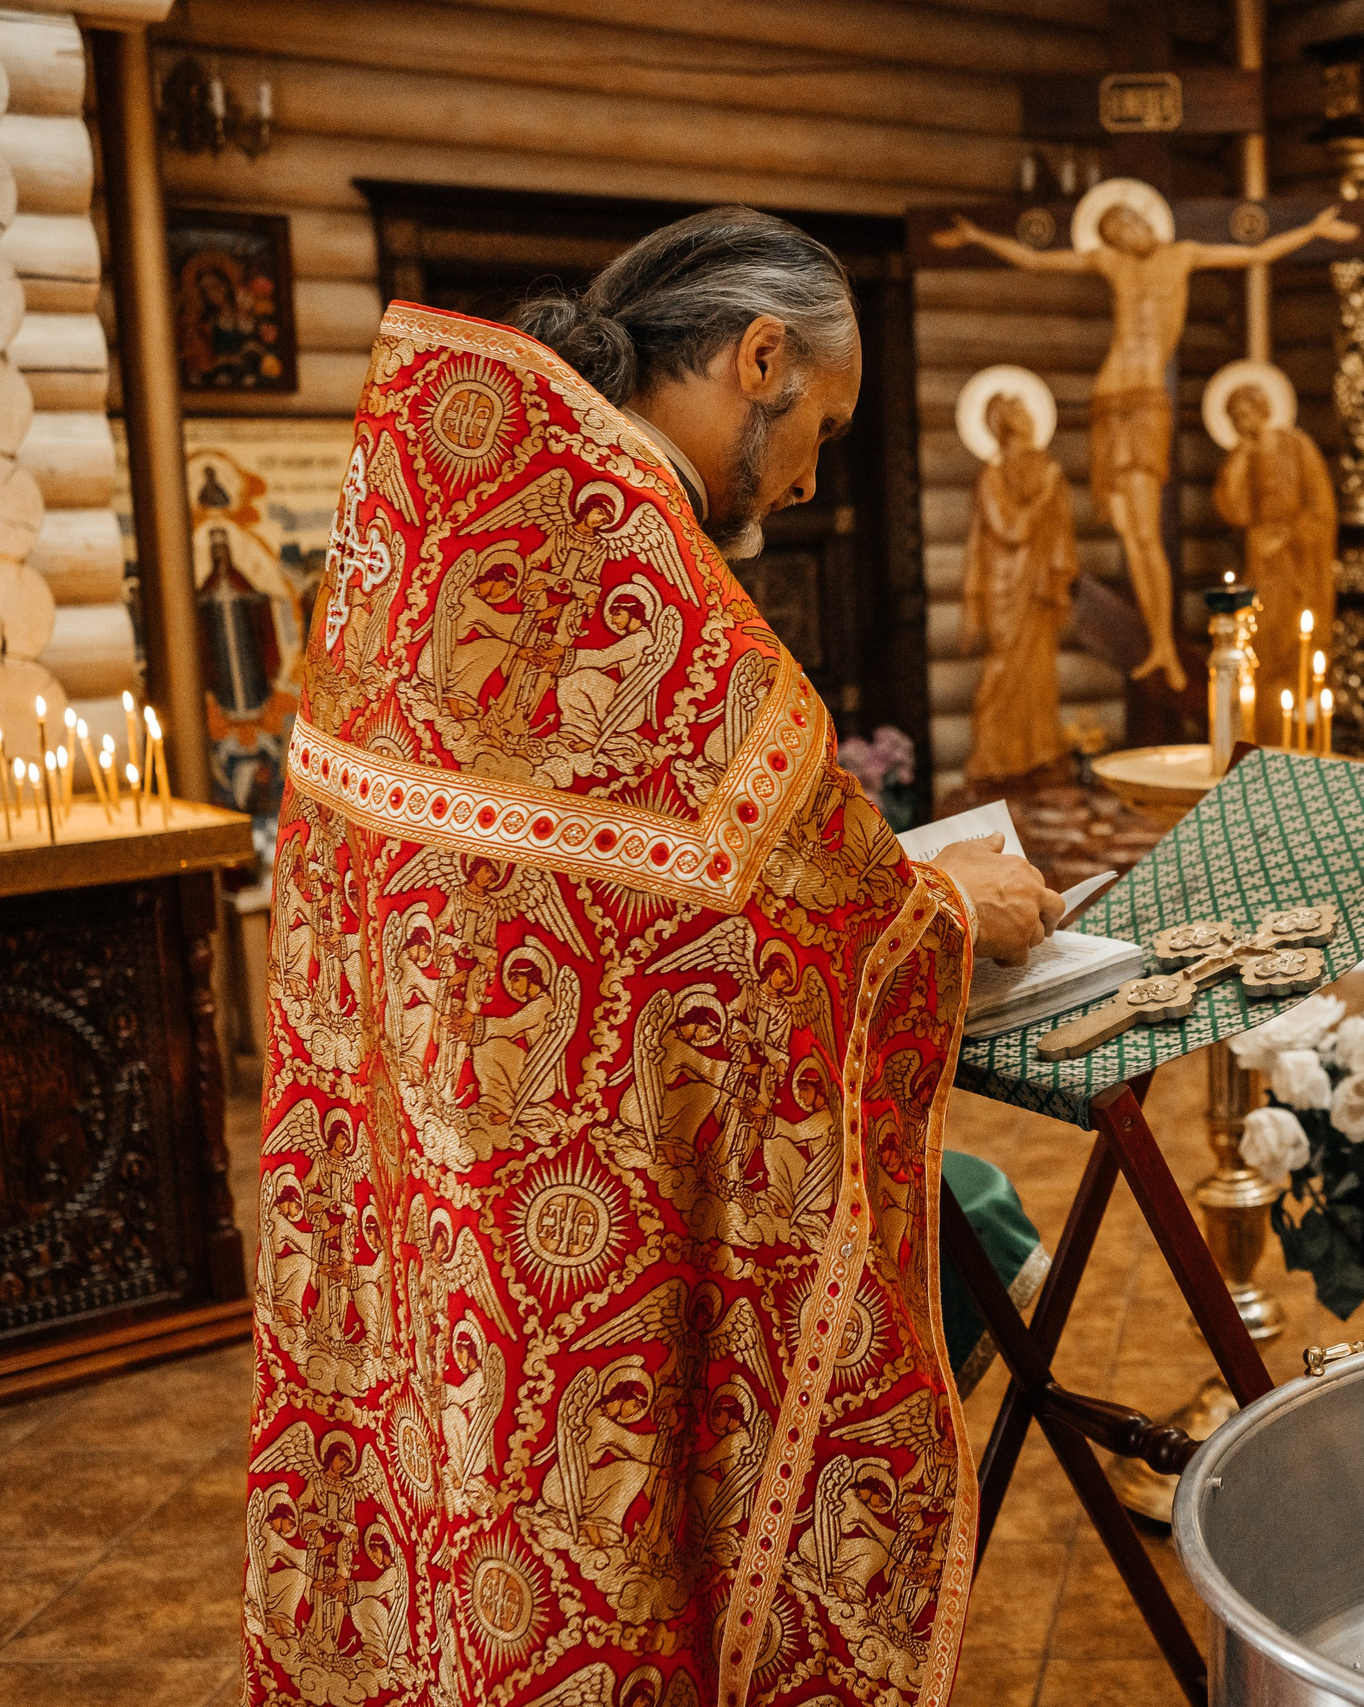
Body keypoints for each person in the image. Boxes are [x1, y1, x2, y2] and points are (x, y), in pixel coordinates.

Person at [244, 205, 1062, 1707]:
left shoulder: (477, 504)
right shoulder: (636, 553)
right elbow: (778, 914)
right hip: (574, 1209)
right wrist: (947, 911)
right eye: (820, 422)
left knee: (442, 1494)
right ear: (759, 357)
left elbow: (668, 868)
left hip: (419, 1165)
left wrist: (887, 872)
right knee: (579, 1530)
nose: (815, 474)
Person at [935, 186, 1356, 689]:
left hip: (1146, 405)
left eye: (1126, 226)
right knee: (1129, 533)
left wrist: (1312, 229)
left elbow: (1256, 252)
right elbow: (1034, 260)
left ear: (1144, 221)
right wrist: (977, 235)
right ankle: (1159, 643)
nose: (1123, 238)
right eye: (1112, 233)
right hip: (1109, 400)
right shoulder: (1110, 264)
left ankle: (1162, 643)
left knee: (1147, 531)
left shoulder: (1184, 255)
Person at [961, 386, 1079, 782]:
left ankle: (1039, 751)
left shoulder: (1047, 467)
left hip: (1038, 585)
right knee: (1002, 669)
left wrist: (1060, 577)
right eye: (1021, 412)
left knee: (1040, 671)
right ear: (1007, 423)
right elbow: (1009, 527)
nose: (1029, 418)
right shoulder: (991, 476)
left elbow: (1060, 532)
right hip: (1005, 586)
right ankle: (991, 758)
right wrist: (1045, 492)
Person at [1212, 378, 1337, 720]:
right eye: (1234, 418)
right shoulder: (1243, 457)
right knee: (1261, 647)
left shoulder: (1298, 447)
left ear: (1263, 409)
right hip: (1262, 566)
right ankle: (1265, 731)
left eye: (1245, 413)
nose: (1241, 423)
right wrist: (1240, 459)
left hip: (1300, 567)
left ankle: (1299, 728)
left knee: (1297, 644)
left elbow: (1322, 511)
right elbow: (1233, 511)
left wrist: (1288, 536)